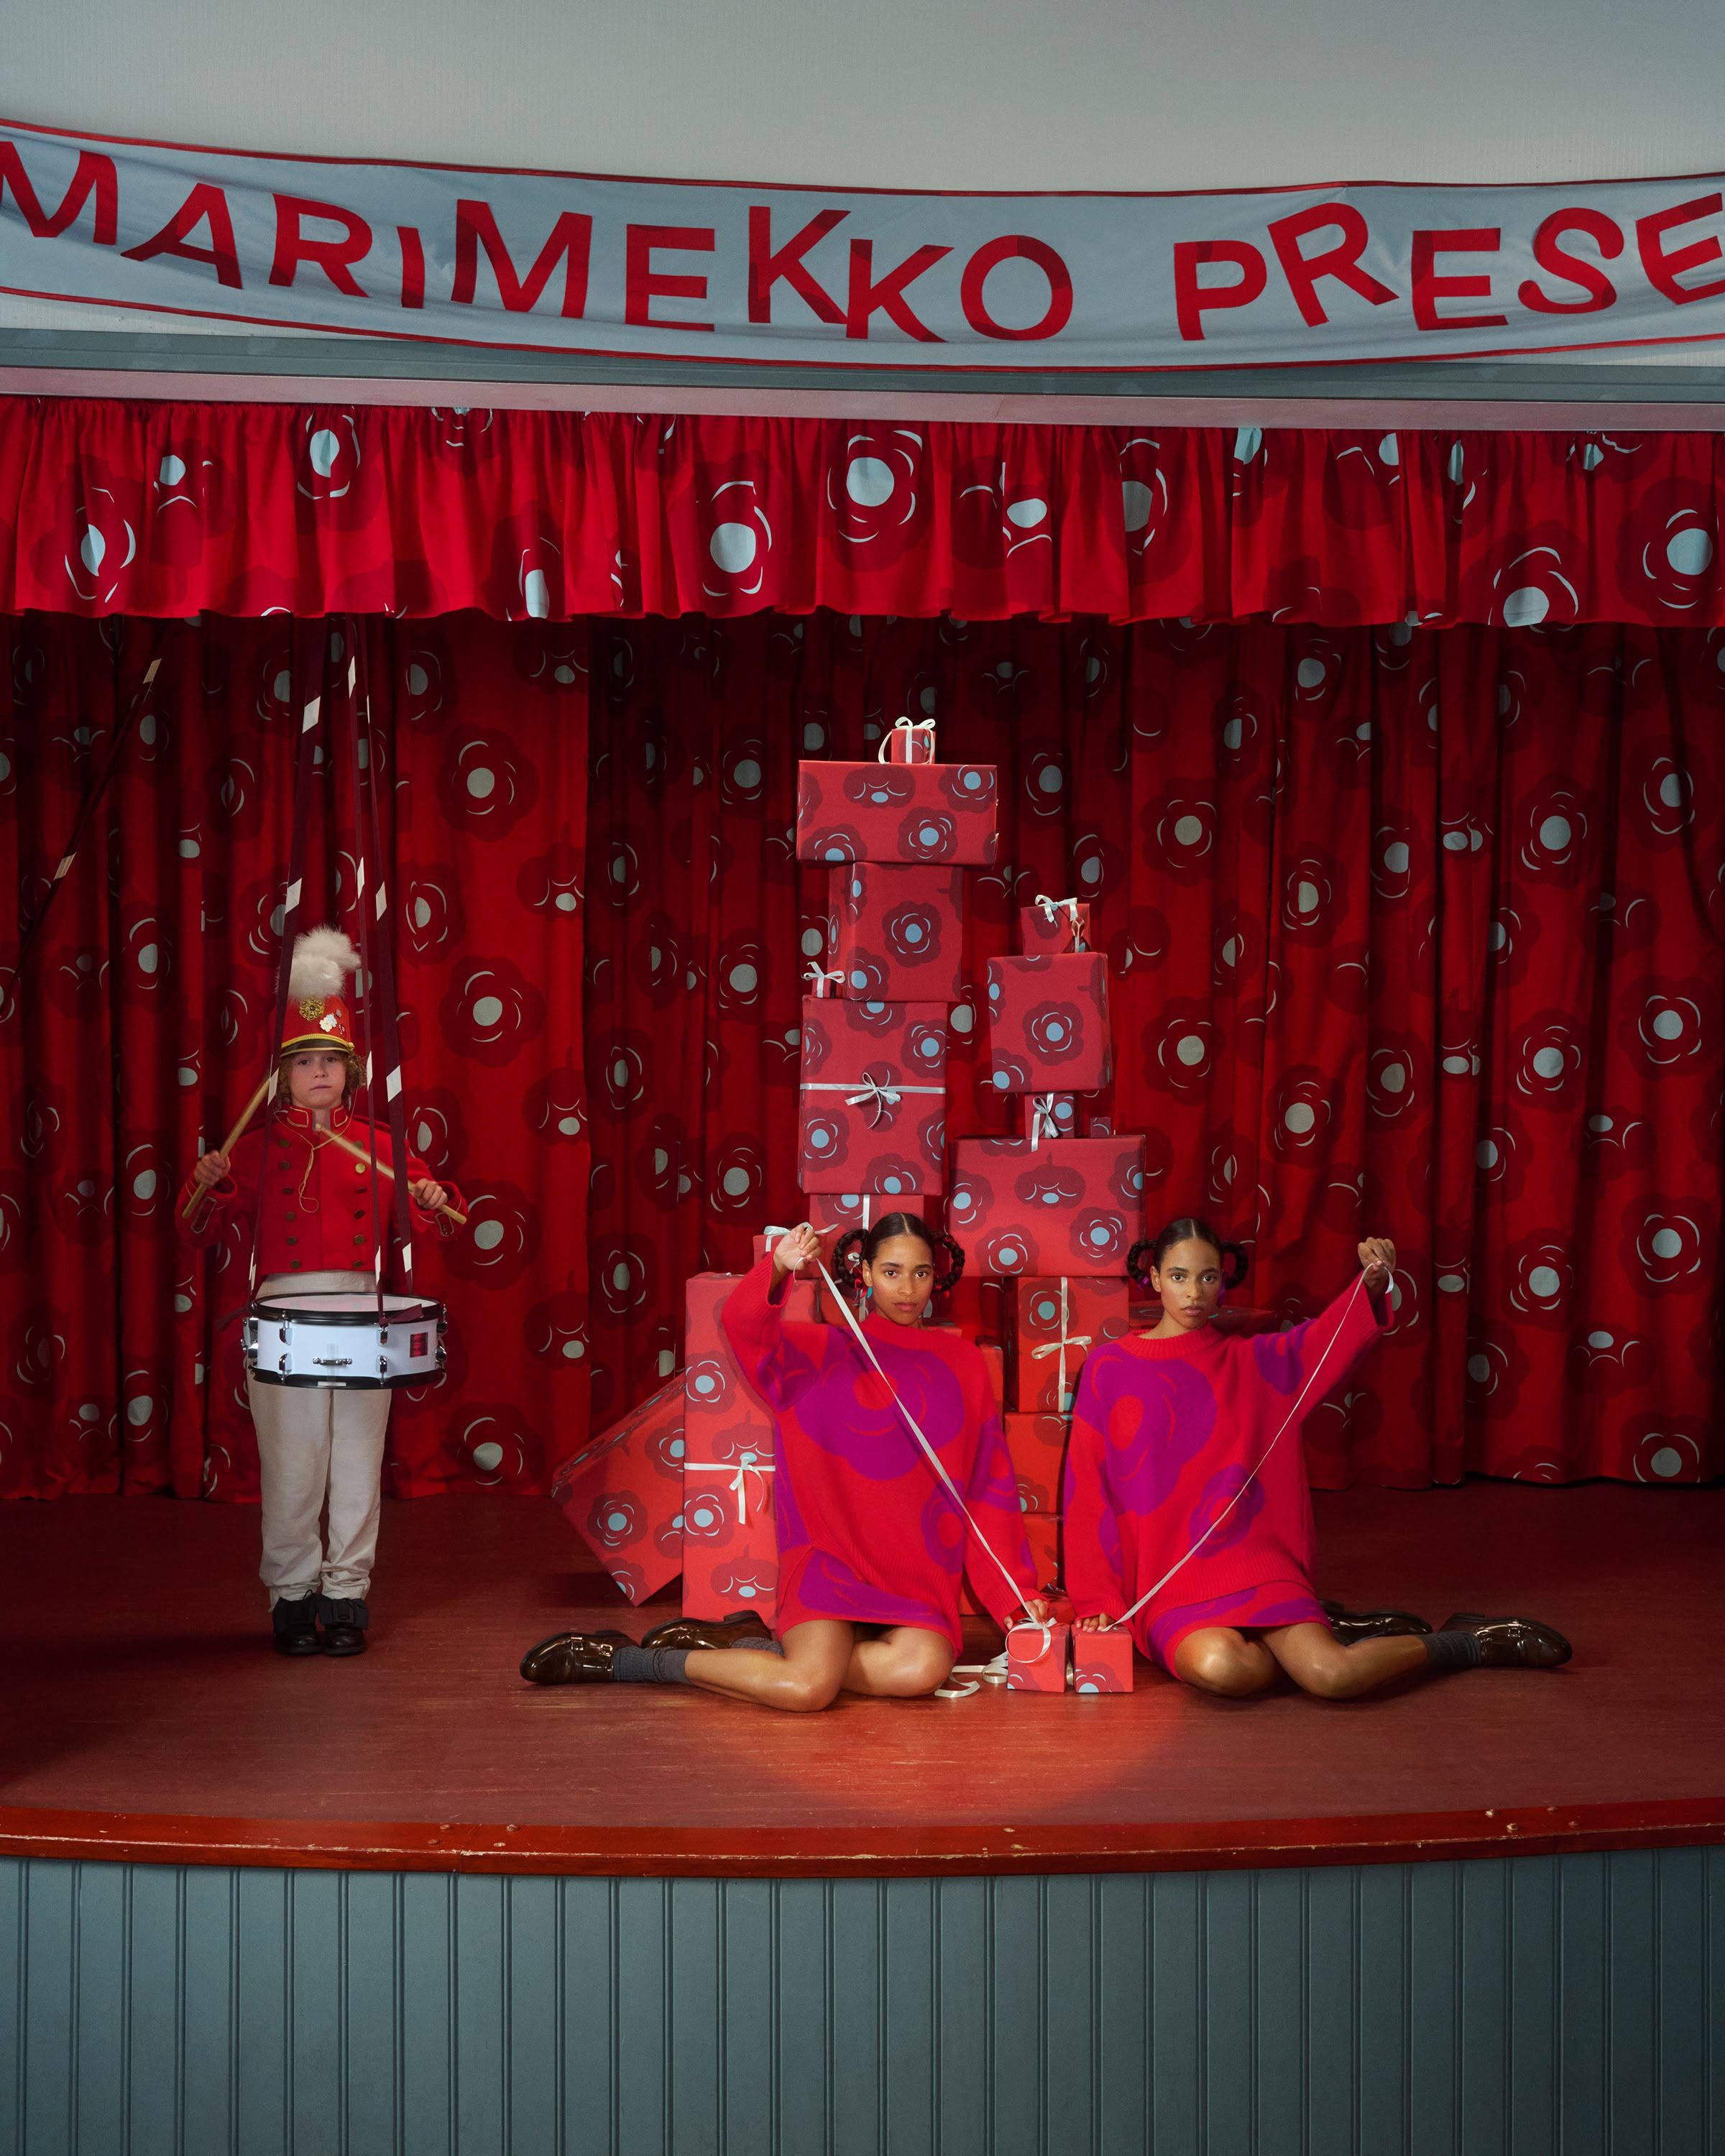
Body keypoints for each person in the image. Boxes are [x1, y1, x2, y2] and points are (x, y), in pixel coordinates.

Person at [520, 1212, 1049, 1708]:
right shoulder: (819, 1352)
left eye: (921, 1273)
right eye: (891, 1272)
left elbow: (986, 1483)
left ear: (936, 1277)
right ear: (865, 1273)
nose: (908, 1288)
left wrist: (1015, 1596)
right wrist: (777, 1266)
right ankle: (629, 1660)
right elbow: (743, 1325)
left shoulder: (963, 1363)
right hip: (831, 1562)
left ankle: (750, 1646)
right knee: (807, 1688)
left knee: (921, 1671)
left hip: (917, 1576)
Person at [1063, 1216, 1572, 1700]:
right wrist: (1098, 1598)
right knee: (1223, 1669)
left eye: (1207, 1277)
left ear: (1223, 1283)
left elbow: (1327, 1339)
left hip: (1253, 1563)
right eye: (1178, 1276)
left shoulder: (1252, 1363)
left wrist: (1371, 1284)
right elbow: (1088, 1490)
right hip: (1167, 1582)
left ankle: (1465, 1642)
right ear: (1154, 1278)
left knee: (1333, 1677)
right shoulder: (1109, 1368)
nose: (1193, 1292)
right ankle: (1327, 1629)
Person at [178, 928, 459, 1659]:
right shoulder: (253, 1149)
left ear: (350, 1071)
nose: (319, 1073)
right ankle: (292, 1597)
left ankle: (346, 1596)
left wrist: (432, 1198)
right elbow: (197, 1230)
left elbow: (436, 1211)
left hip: (364, 1316)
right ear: (282, 1078)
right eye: (304, 1062)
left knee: (358, 1462)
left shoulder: (380, 1144)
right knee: (294, 1465)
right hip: (283, 1316)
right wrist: (206, 1185)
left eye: (331, 1061)